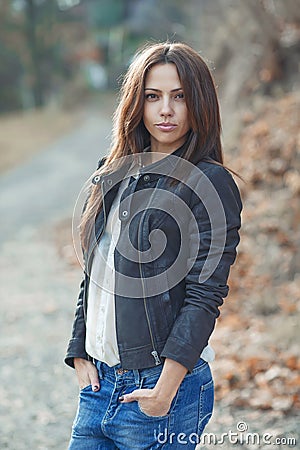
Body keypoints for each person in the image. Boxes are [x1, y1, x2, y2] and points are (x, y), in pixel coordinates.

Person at [65, 41, 242, 449]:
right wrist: (79, 350)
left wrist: (164, 390)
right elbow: (97, 270)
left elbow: (205, 294)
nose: (166, 109)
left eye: (179, 96)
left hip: (158, 391)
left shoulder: (210, 183)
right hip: (98, 387)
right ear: (136, 104)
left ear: (199, 103)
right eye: (153, 96)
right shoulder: (112, 172)